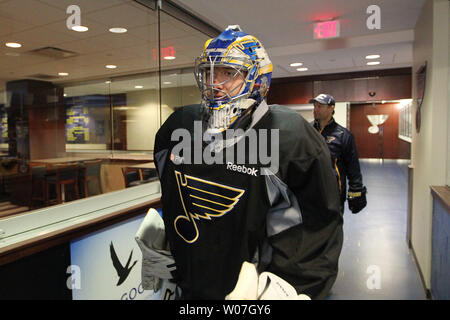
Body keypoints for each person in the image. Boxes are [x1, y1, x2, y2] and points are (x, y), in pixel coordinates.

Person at [138, 26, 343, 300]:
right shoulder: (179, 125)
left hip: (251, 289)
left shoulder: (289, 136)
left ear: (258, 79)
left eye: (228, 73)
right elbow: (175, 191)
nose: (214, 83)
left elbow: (317, 226)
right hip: (191, 287)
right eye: (209, 72)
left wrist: (292, 287)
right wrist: (172, 244)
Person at [309, 94, 367, 214]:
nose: (315, 109)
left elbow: (353, 168)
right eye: (315, 106)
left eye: (320, 106)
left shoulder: (344, 135)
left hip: (334, 195)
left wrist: (356, 190)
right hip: (310, 193)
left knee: (333, 230)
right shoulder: (307, 130)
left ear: (331, 108)